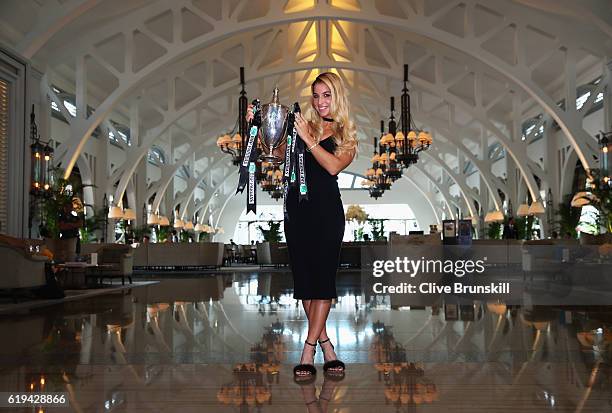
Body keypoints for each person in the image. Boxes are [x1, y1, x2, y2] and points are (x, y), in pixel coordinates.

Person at [247, 72, 357, 381]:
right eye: (317, 95)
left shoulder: (346, 135)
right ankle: (327, 345)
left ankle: (308, 349)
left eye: (327, 95)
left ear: (338, 97)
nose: (321, 101)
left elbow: (333, 166)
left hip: (326, 215)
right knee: (306, 283)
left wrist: (309, 141)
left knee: (323, 282)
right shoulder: (303, 127)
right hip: (296, 213)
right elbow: (278, 155)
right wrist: (257, 125)